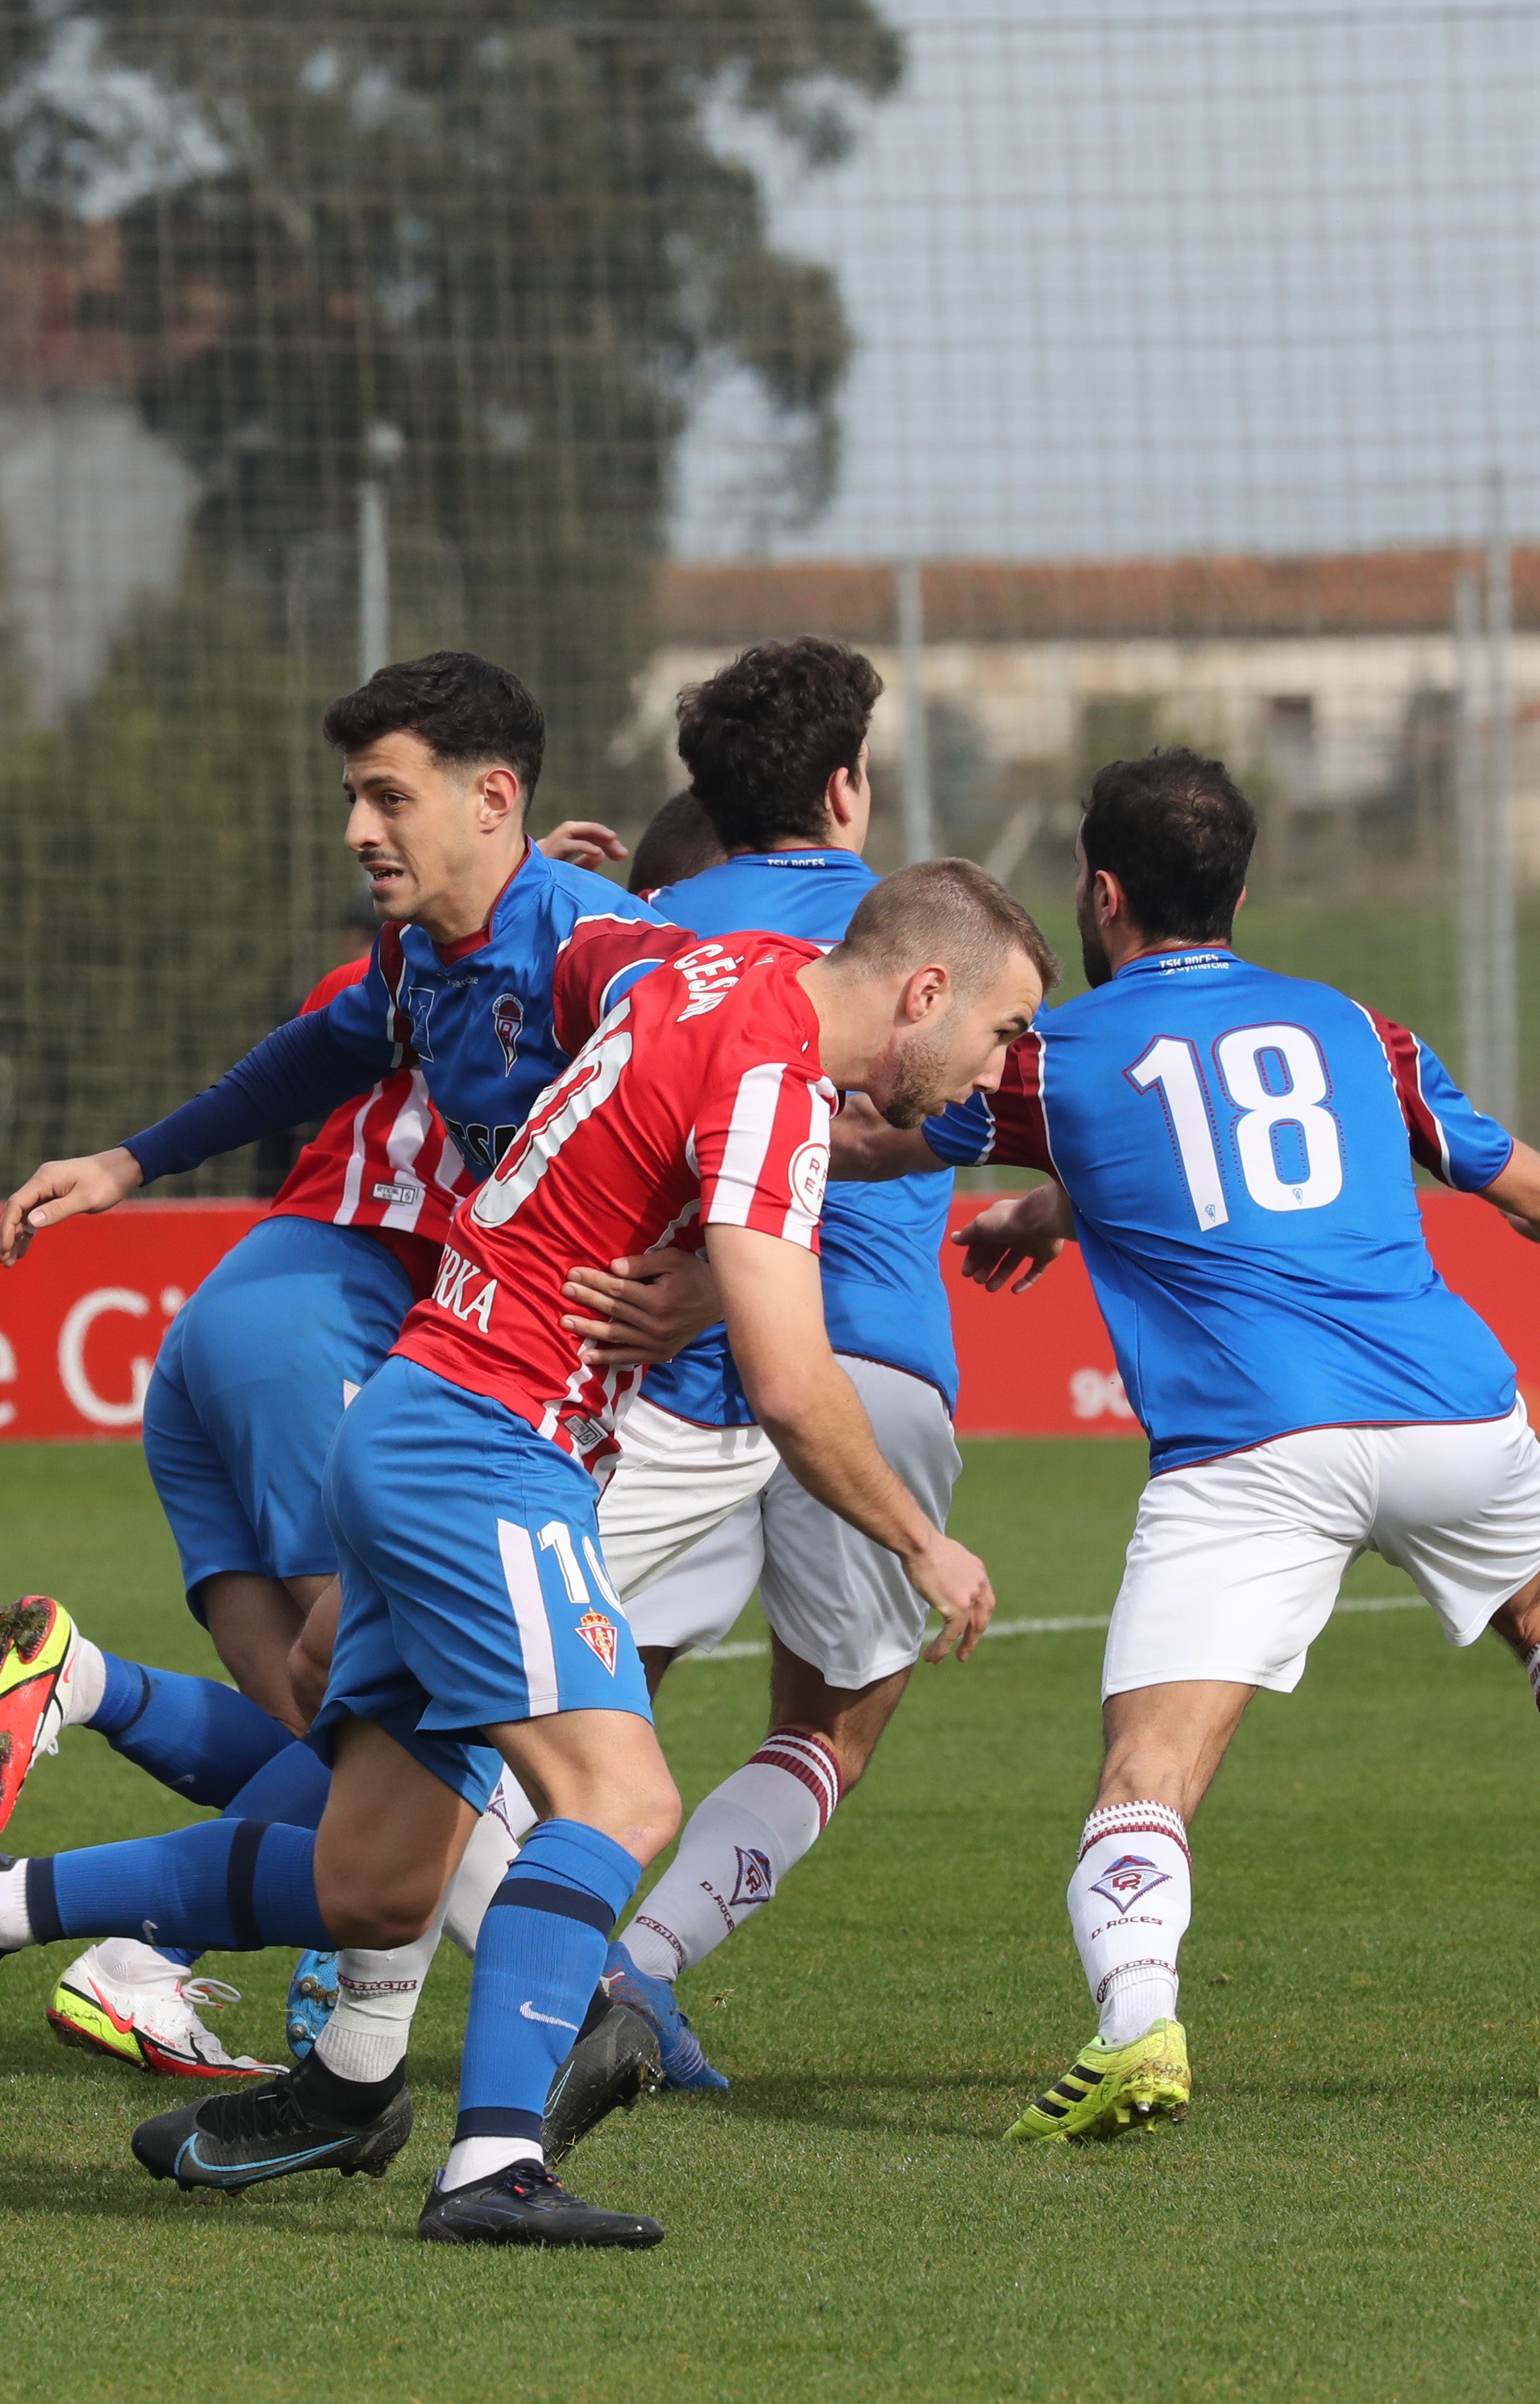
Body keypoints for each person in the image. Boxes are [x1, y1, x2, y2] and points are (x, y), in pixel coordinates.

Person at [0, 862, 1046, 2246]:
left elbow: (639, 1049)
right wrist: (925, 1542)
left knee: (373, 1877)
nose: (995, 1067)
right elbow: (791, 1382)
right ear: (923, 992)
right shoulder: (773, 1075)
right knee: (619, 1801)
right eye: (996, 1031)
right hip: (486, 1452)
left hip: (423, 1417)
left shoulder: (707, 974)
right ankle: (493, 2163)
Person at [880, 748, 1540, 2140]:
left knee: (1150, 1769)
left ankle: (1137, 2031)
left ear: (1102, 891)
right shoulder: (1354, 1030)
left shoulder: (1049, 1054)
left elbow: (888, 1131)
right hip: (1453, 1415)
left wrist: (1006, 1188)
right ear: (1241, 891)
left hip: (1250, 1449)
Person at [0, 655, 695, 2119]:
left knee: (328, 1706)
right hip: (375, 1359)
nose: (358, 829)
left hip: (299, 1341)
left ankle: (327, 2040)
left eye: (386, 796)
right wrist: (129, 1163)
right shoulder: (432, 952)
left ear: (492, 801)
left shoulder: (593, 949)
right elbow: (319, 1051)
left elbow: (737, 1059)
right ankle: (225, 1977)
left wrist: (696, 1263)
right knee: (505, 1759)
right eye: (353, 797)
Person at [587, 639, 984, 2092]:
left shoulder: (645, 929)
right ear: (846, 783)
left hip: (660, 1363)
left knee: (561, 1692)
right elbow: (1019, 1100)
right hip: (865, 1364)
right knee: (830, 1722)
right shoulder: (910, 931)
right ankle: (641, 1965)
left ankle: (349, 1952)